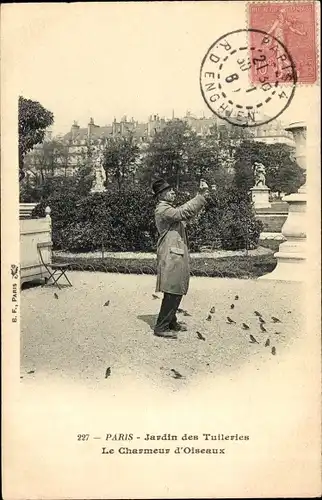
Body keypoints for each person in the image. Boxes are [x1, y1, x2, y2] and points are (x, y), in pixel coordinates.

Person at [152, 178, 210, 339]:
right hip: (171, 255)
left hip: (174, 253)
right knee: (172, 290)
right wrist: (200, 196)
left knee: (175, 289)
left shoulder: (166, 209)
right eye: (170, 191)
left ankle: (171, 321)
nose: (173, 193)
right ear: (161, 195)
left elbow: (183, 214)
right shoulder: (163, 210)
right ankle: (161, 326)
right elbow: (182, 213)